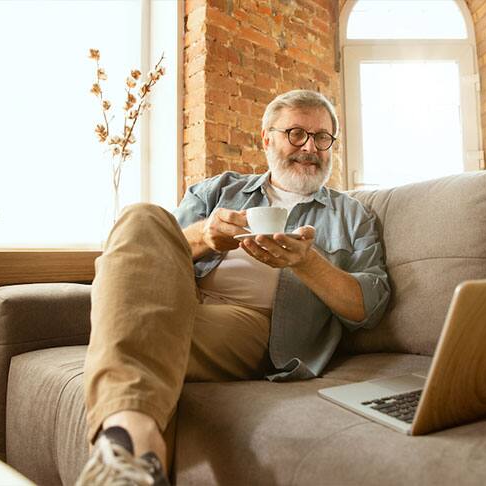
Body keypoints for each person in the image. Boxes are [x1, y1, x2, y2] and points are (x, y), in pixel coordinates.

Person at [76, 89, 390, 485]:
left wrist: (306, 262)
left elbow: (368, 308)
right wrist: (205, 236)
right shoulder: (217, 191)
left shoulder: (352, 216)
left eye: (322, 137)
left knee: (140, 329)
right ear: (267, 138)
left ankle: (130, 444)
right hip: (180, 295)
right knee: (141, 216)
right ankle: (135, 455)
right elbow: (158, 251)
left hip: (253, 323)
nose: (310, 147)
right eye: (296, 133)